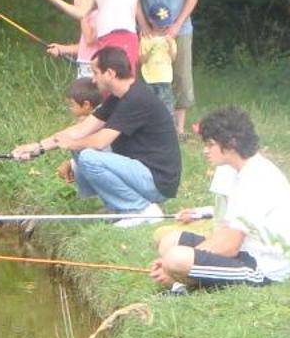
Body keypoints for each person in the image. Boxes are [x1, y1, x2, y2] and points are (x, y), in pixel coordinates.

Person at [11, 44, 182, 220]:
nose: (93, 80)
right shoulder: (118, 97)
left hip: (157, 181)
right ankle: (117, 206)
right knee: (80, 148)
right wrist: (37, 147)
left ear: (110, 73)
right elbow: (81, 130)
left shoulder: (136, 99)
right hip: (140, 172)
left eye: (95, 73)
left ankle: (140, 211)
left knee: (88, 157)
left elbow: (100, 141)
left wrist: (71, 144)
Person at [150, 106, 290, 289]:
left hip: (261, 268)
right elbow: (225, 230)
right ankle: (185, 279)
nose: (205, 151)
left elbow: (230, 245)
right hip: (244, 252)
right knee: (169, 243)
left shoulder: (258, 178)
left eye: (210, 144)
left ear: (231, 143)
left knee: (175, 258)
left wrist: (172, 267)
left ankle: (184, 283)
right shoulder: (240, 172)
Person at [136, 0, 201, 130]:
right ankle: (152, 122)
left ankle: (179, 127)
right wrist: (142, 23)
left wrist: (177, 25)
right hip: (150, 31)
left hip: (179, 29)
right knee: (149, 73)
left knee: (181, 75)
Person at [41, 0, 102, 77]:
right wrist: (62, 49)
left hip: (95, 69)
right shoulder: (90, 14)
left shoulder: (103, 13)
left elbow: (89, 39)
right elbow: (86, 46)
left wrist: (81, 13)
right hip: (84, 66)